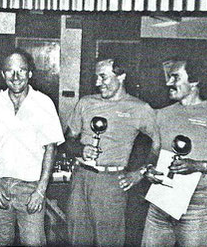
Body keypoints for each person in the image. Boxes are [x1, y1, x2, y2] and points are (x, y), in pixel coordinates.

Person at [141, 58, 207, 247]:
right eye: (169, 77)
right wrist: (148, 169)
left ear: (194, 82)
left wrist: (196, 166)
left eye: (175, 77)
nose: (169, 83)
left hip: (195, 203)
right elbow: (154, 151)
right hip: (160, 199)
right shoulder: (162, 114)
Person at [64, 58, 160, 246]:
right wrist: (81, 149)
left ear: (121, 77)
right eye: (96, 78)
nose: (98, 83)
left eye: (104, 77)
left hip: (111, 182)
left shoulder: (140, 108)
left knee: (108, 241)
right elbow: (68, 141)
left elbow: (159, 143)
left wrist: (140, 172)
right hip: (80, 177)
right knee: (76, 239)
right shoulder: (86, 103)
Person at [0, 48, 64, 246]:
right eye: (10, 71)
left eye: (22, 70)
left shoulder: (44, 103)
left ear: (30, 74)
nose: (16, 76)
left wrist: (41, 191)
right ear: (3, 74)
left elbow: (50, 149)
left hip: (31, 189)